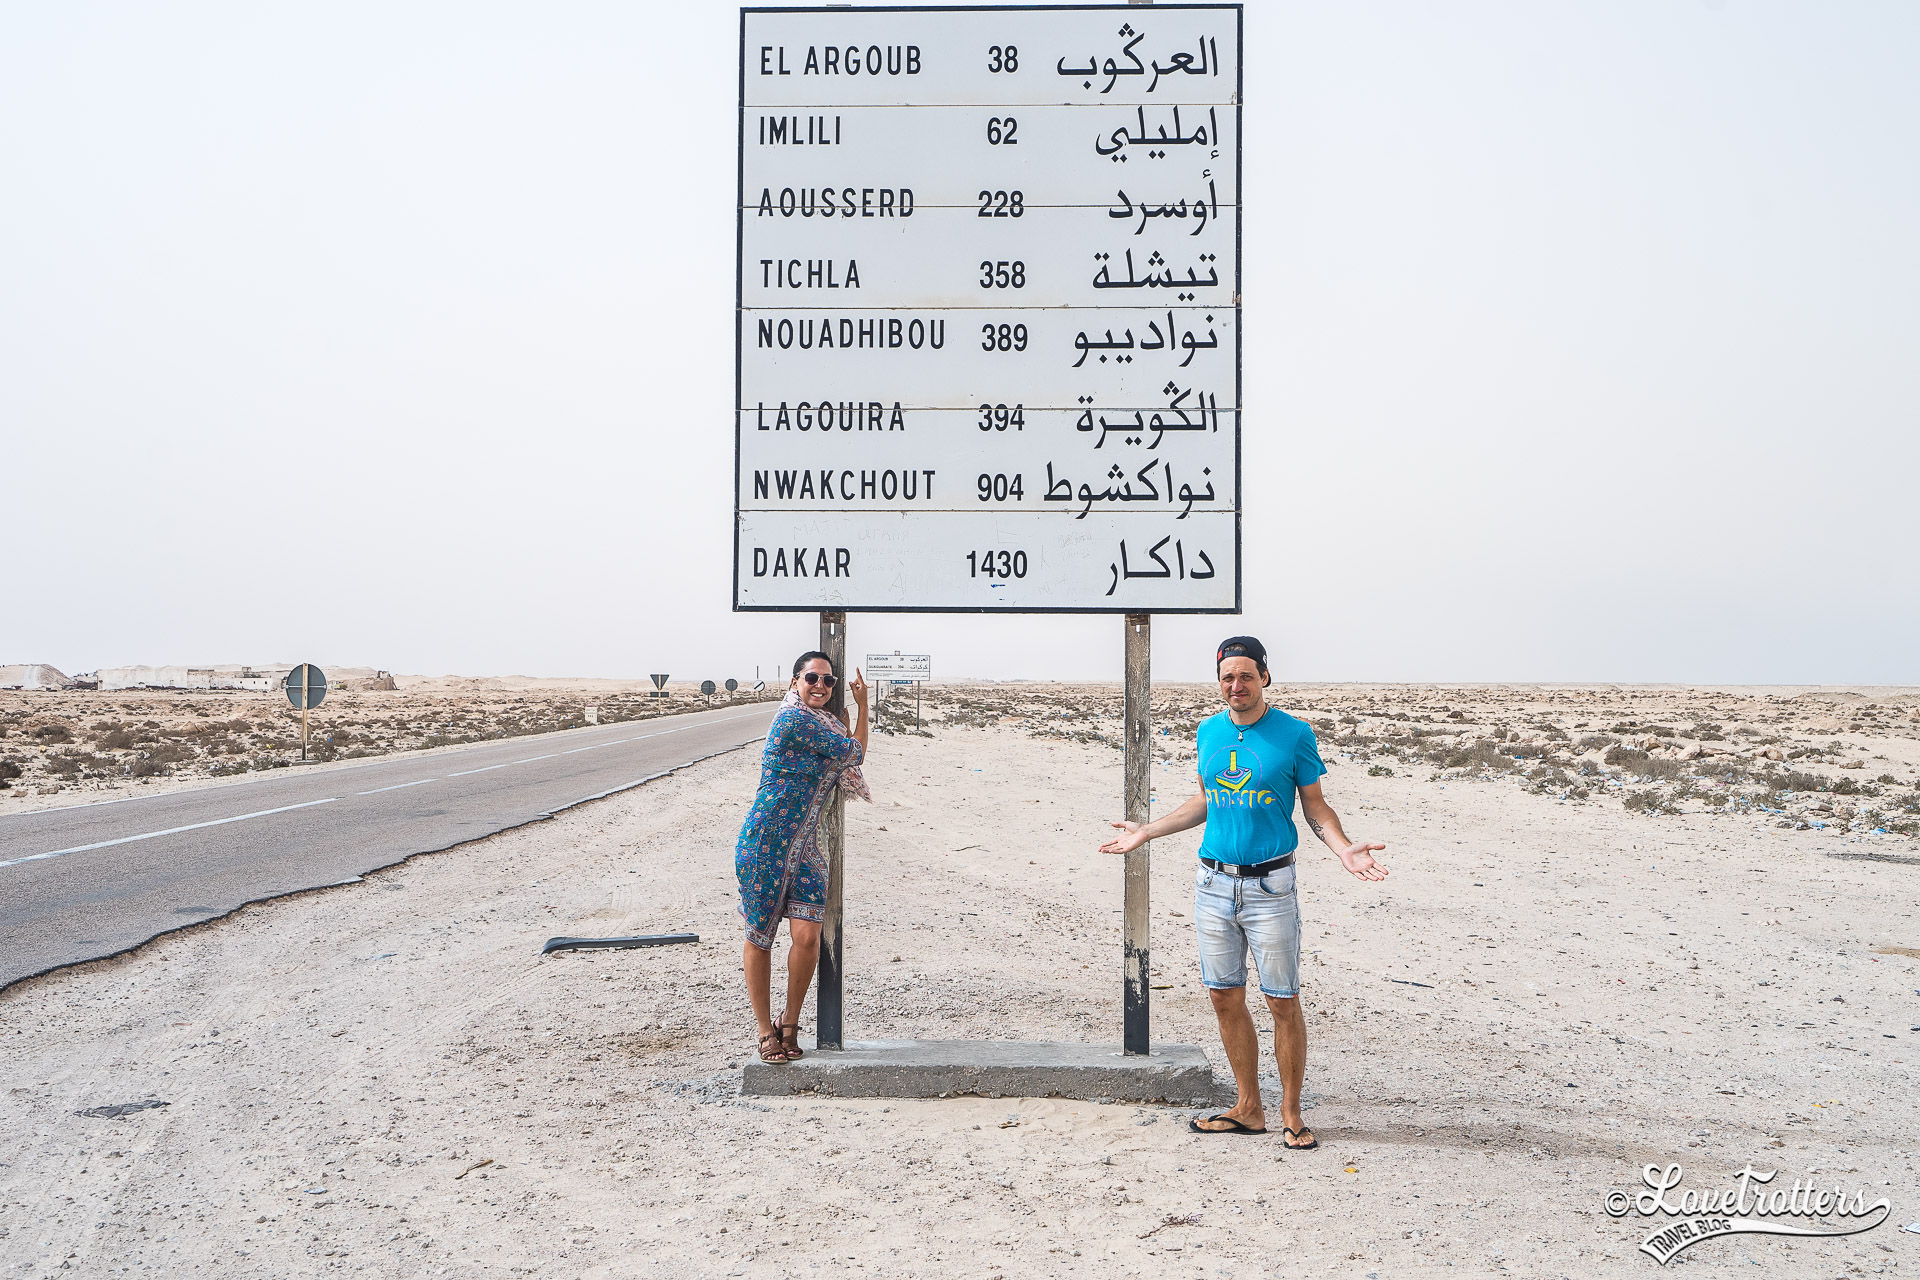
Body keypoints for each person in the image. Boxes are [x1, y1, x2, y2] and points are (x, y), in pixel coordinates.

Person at [1100, 636, 1387, 1147]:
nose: (1237, 685)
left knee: (1282, 1000)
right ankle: (1248, 1106)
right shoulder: (1208, 731)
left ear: (1265, 678)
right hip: (1213, 884)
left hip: (1270, 887)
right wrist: (1148, 830)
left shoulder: (1294, 735)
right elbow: (1207, 799)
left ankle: (1292, 1113)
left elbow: (1316, 806)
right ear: (1219, 681)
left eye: (1247, 676)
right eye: (1228, 677)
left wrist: (1342, 847)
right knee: (1224, 997)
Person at [735, 651, 869, 1063]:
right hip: (766, 842)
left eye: (828, 682)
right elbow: (855, 753)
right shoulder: (794, 721)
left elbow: (848, 749)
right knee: (760, 937)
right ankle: (764, 1030)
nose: (821, 687)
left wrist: (854, 716)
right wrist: (864, 709)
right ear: (795, 682)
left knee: (807, 938)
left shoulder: (824, 723)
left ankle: (789, 1023)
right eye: (812, 678)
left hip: (808, 845)